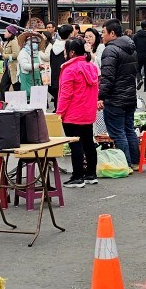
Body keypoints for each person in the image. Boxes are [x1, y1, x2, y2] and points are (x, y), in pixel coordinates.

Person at [56, 35, 99, 188]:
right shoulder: (92, 67)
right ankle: (91, 174)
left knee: (76, 145)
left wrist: (59, 112)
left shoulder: (69, 69)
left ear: (72, 52)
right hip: (88, 112)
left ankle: (77, 176)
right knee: (88, 143)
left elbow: (66, 94)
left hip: (73, 113)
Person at [98, 19, 140, 167]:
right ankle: (135, 161)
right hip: (129, 97)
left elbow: (107, 78)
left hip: (115, 99)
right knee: (129, 130)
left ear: (112, 33)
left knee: (118, 133)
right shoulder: (130, 48)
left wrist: (101, 96)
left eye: (103, 32)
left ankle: (125, 163)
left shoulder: (110, 50)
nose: (102, 36)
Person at [18, 30, 48, 100]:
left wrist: (42, 67)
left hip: (36, 79)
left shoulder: (36, 53)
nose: (36, 44)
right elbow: (25, 66)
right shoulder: (23, 53)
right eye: (33, 42)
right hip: (27, 79)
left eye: (37, 43)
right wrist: (38, 66)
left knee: (37, 97)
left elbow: (39, 63)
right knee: (28, 97)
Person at [48, 23, 72, 109]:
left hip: (54, 77)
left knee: (57, 101)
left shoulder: (53, 47)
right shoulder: (69, 48)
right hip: (65, 78)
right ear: (69, 34)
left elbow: (51, 62)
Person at [0, 25, 21, 94]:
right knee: (3, 86)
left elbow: (16, 55)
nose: (4, 33)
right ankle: (5, 103)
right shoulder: (7, 42)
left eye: (6, 31)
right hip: (8, 68)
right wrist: (0, 47)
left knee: (16, 87)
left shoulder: (14, 42)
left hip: (14, 68)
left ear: (11, 33)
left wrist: (5, 56)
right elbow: (4, 53)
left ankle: (18, 103)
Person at [133, 21, 146, 90]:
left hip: (138, 55)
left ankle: (139, 79)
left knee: (138, 69)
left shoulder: (136, 35)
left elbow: (133, 46)